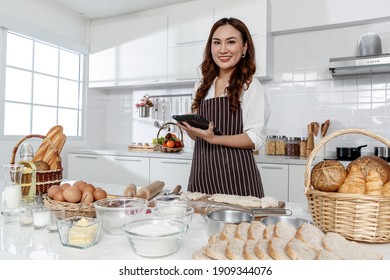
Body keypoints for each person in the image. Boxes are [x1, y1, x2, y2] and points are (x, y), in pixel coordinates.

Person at [178, 17, 271, 198]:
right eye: (216, 43)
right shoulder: (202, 85)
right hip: (202, 177)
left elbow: (254, 138)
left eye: (231, 42)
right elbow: (198, 137)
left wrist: (215, 139)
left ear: (244, 47)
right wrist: (190, 127)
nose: (223, 49)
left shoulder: (250, 85)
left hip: (238, 181)